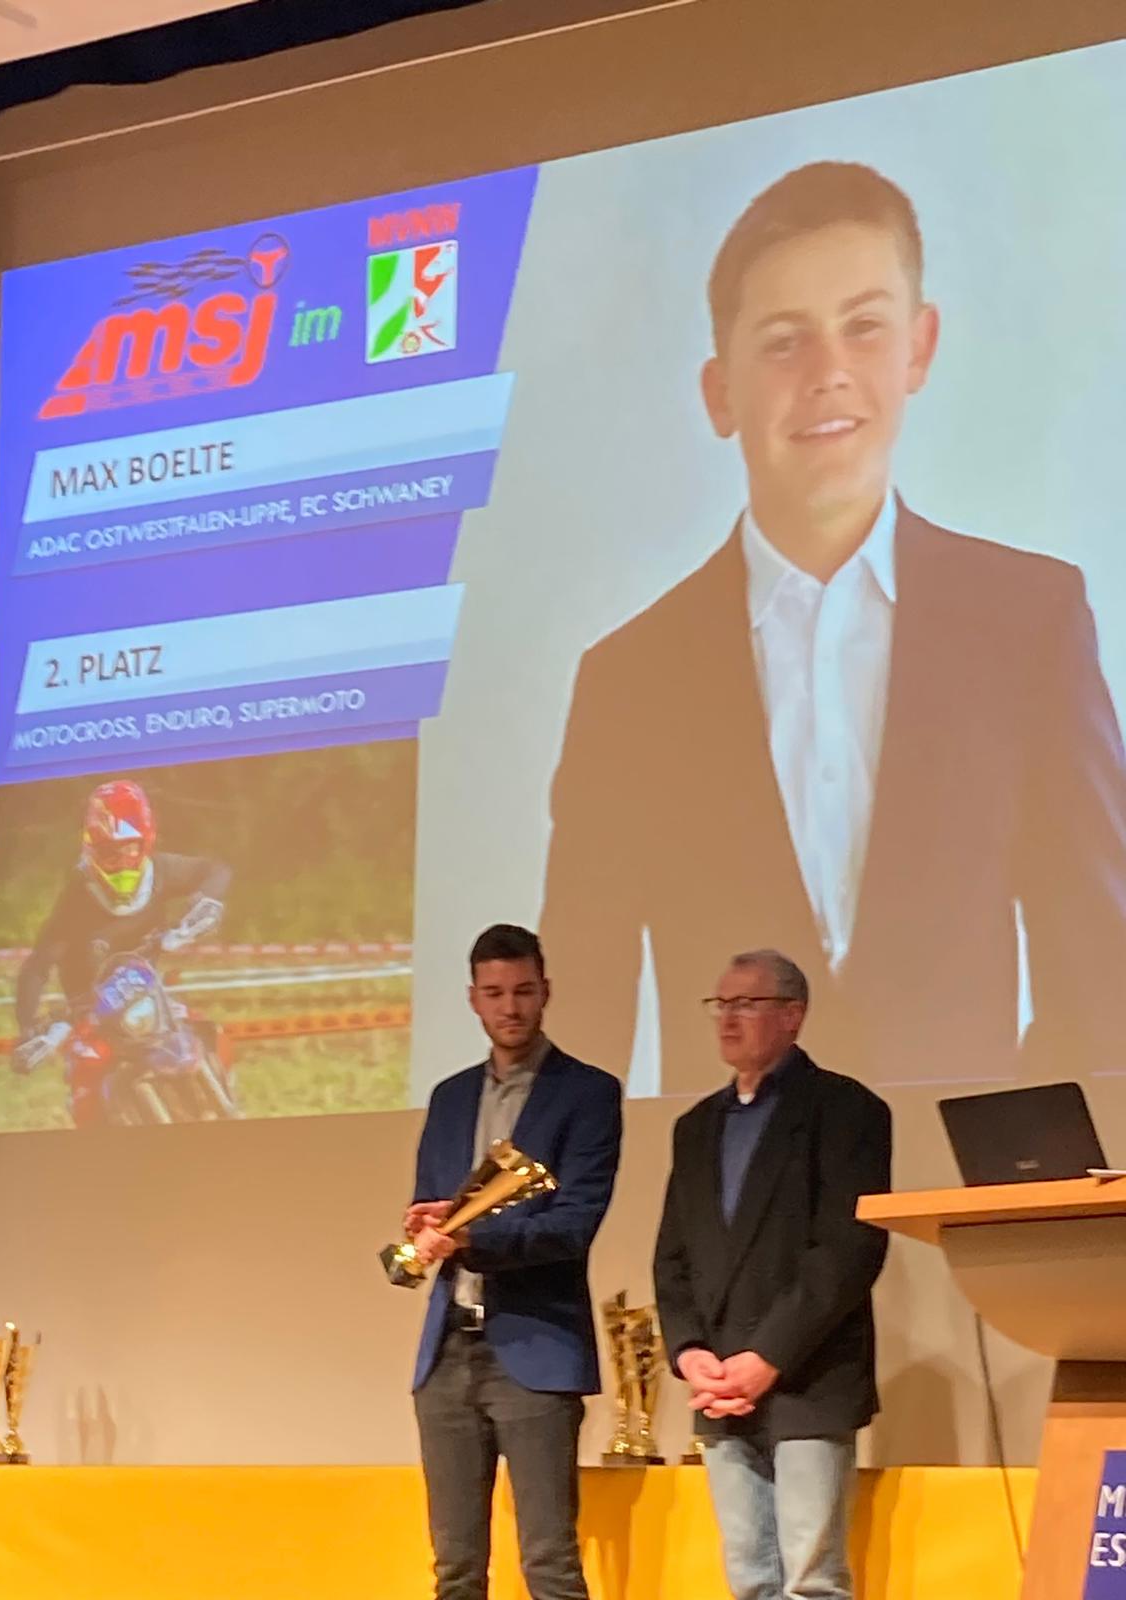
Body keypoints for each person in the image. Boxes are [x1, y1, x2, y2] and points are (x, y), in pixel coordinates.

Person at [539, 160, 1126, 1094]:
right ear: (720, 392)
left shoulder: (1031, 622)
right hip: (727, 1180)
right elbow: (584, 1021)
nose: (829, 373)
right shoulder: (629, 680)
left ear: (919, 348)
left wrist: (1044, 1158)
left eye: (864, 327)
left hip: (976, 1172)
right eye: (784, 343)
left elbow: (1097, 966)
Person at [654, 948, 891, 1600]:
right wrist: (690, 1353)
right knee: (750, 1579)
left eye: (746, 1004)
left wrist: (767, 1357)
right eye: (720, 1005)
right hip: (720, 1386)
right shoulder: (696, 1126)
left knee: (812, 1580)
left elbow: (847, 1251)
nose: (728, 1019)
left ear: (793, 1015)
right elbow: (672, 1256)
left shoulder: (846, 1109)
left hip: (809, 1378)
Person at [404, 923, 622, 1600]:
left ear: (545, 992)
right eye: (495, 993)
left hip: (537, 1347)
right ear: (473, 998)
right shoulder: (449, 1097)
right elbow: (434, 1205)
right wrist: (422, 1231)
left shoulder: (587, 1092)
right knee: (455, 1569)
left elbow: (573, 1227)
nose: (510, 1007)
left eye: (523, 991)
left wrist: (474, 1240)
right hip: (448, 1350)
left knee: (549, 1565)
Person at [12, 778, 230, 1115]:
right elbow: (37, 966)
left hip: (147, 990)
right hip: (90, 1010)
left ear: (146, 843)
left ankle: (227, 1099)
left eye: (130, 849)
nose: (122, 860)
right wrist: (29, 1028)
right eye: (110, 853)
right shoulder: (76, 898)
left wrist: (207, 903)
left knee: (206, 1031)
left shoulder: (161, 871)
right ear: (92, 850)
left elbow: (214, 869)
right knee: (85, 1085)